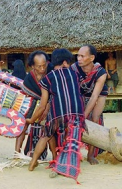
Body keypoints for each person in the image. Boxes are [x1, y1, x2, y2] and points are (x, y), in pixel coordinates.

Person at [26, 48, 85, 181]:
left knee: (45, 135)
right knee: (70, 138)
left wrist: (32, 119)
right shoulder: (75, 74)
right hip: (76, 112)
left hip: (57, 114)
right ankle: (66, 164)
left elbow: (42, 105)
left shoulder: (47, 78)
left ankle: (32, 162)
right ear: (65, 62)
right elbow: (78, 92)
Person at [71, 44, 107, 165]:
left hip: (98, 95)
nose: (79, 59)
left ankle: (91, 154)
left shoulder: (101, 72)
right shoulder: (74, 68)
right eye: (78, 56)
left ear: (91, 58)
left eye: (82, 56)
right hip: (80, 94)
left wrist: (84, 115)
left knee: (95, 119)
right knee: (74, 120)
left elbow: (94, 97)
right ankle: (73, 152)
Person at [19, 51, 53, 159]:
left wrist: (47, 106)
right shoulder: (29, 79)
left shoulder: (51, 72)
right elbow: (25, 95)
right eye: (39, 66)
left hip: (50, 104)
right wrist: (32, 115)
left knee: (51, 128)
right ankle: (16, 154)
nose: (43, 69)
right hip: (33, 104)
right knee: (22, 124)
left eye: (44, 65)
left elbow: (56, 93)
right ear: (32, 66)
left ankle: (55, 156)